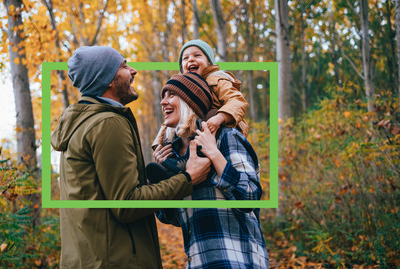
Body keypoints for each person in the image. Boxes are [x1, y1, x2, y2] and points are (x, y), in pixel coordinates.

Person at [51, 46, 212, 269]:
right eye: (125, 66)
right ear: (107, 79)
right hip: (116, 261)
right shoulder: (107, 123)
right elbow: (126, 204)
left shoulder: (82, 124)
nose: (133, 71)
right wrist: (188, 179)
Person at [153, 72, 269, 269]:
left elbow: (250, 196)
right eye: (163, 96)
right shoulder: (173, 155)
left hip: (238, 261)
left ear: (191, 101)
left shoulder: (226, 137)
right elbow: (174, 218)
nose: (163, 102)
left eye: (171, 95)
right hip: (200, 262)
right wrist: (160, 179)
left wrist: (214, 154)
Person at [152, 39, 249, 156]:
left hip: (223, 127)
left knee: (211, 114)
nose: (191, 59)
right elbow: (171, 118)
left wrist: (220, 117)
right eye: (185, 58)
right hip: (197, 132)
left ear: (209, 62)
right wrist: (159, 144)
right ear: (182, 68)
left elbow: (236, 100)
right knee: (175, 131)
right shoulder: (185, 88)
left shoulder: (217, 80)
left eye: (197, 55)